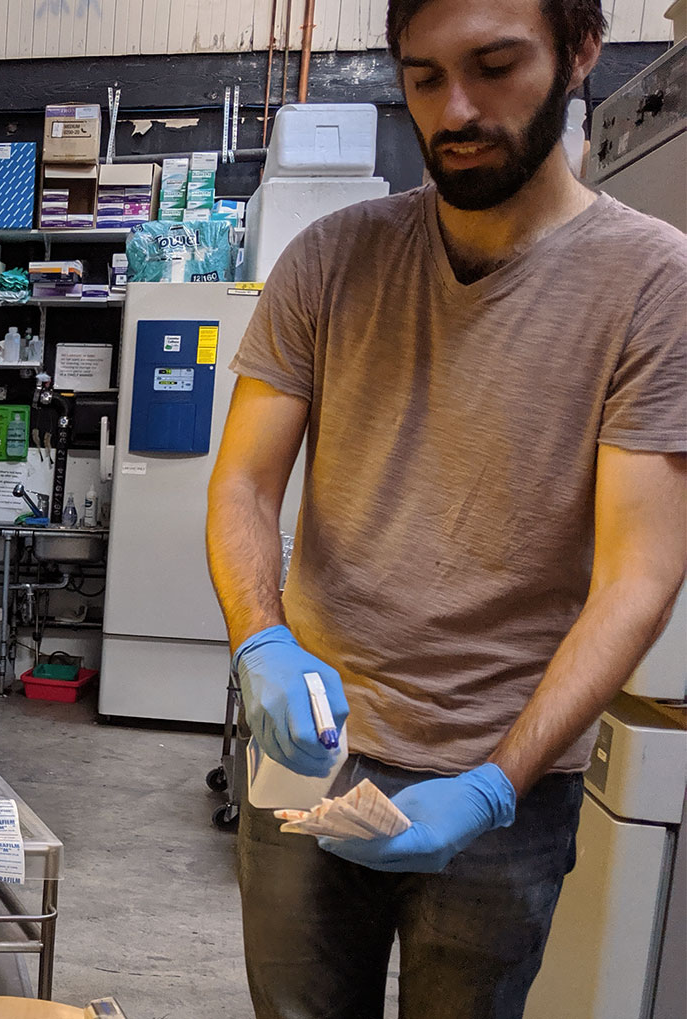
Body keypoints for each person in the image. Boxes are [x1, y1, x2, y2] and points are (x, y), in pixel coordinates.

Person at [204, 0, 687, 1015]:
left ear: (580, 50)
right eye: (423, 77)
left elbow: (638, 575)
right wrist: (260, 642)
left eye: (495, 65)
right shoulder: (332, 260)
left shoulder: (653, 284)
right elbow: (244, 482)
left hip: (503, 787)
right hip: (314, 756)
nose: (455, 108)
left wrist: (496, 781)